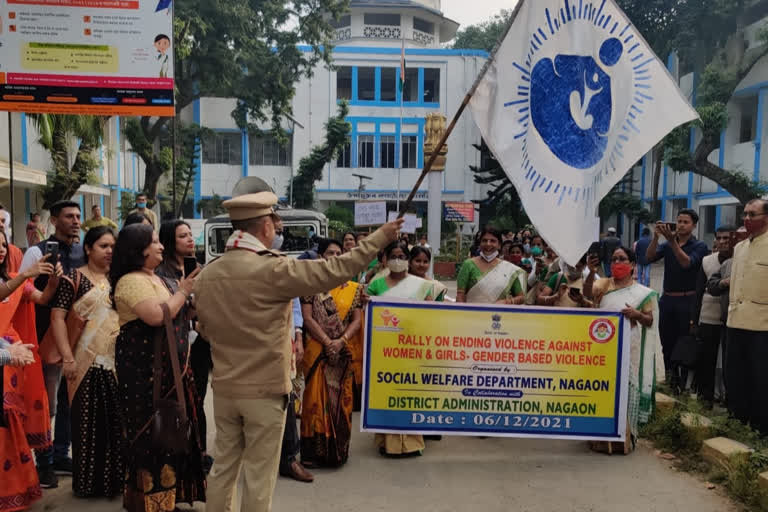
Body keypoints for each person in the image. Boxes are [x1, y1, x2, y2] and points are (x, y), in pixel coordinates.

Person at [194, 192, 402, 512]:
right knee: (259, 475)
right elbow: (336, 269)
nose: (277, 228)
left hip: (224, 387)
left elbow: (204, 330)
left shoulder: (209, 273)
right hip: (264, 390)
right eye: (275, 222)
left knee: (223, 468)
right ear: (264, 227)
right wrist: (380, 238)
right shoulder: (274, 270)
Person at [111, 224, 206, 511]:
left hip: (169, 373)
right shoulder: (130, 280)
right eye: (154, 242)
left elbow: (176, 311)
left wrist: (190, 299)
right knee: (151, 439)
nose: (161, 247)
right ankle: (150, 504)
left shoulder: (156, 278)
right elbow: (156, 315)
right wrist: (183, 290)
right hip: (144, 377)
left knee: (171, 438)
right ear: (139, 250)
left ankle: (167, 501)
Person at [49, 226, 124, 498]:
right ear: (89, 249)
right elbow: (57, 318)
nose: (109, 252)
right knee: (86, 426)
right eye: (104, 246)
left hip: (115, 363)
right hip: (83, 363)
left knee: (114, 424)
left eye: (113, 246)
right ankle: (88, 486)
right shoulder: (74, 280)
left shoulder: (119, 280)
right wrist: (67, 357)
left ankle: (114, 484)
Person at [19, 200, 84, 488]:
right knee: (48, 403)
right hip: (45, 336)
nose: (75, 221)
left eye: (78, 216)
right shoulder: (36, 251)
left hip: (78, 336)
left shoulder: (84, 251)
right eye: (69, 216)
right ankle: (43, 462)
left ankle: (60, 454)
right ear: (55, 220)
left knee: (70, 401)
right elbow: (24, 290)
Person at [1, 230, 62, 507]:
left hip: (15, 358)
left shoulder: (11, 278)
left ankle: (14, 489)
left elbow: (41, 298)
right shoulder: (14, 279)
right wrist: (26, 274)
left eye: (3, 244)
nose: (1, 249)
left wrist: (52, 282)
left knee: (12, 421)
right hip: (5, 355)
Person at [584, 246, 662, 454]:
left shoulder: (642, 293)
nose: (617, 263)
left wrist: (636, 314)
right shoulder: (603, 284)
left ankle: (624, 438)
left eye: (622, 259)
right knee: (602, 389)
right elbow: (586, 294)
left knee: (625, 390)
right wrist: (591, 272)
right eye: (614, 259)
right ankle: (598, 437)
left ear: (632, 265)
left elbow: (649, 321)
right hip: (603, 347)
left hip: (630, 347)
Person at [155, 220, 214, 475]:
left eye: (191, 235)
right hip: (174, 343)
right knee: (176, 401)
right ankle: (175, 457)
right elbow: (167, 310)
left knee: (197, 398)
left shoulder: (199, 270)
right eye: (183, 236)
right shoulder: (159, 274)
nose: (190, 240)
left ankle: (198, 452)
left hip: (198, 343)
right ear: (170, 241)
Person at [299, 238, 363, 468]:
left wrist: (341, 341)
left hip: (342, 352)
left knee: (342, 400)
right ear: (321, 257)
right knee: (314, 401)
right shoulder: (311, 284)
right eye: (329, 253)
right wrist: (327, 341)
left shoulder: (355, 288)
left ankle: (337, 452)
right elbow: (307, 318)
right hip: (317, 350)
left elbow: (357, 320)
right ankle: (312, 454)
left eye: (338, 253)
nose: (334, 257)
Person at [367, 241, 432, 457]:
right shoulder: (375, 285)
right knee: (389, 393)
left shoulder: (422, 286)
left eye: (402, 256)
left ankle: (412, 442)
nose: (398, 260)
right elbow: (368, 314)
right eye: (393, 256)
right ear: (384, 259)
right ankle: (389, 442)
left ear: (408, 260)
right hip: (385, 349)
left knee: (412, 392)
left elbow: (432, 314)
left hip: (414, 347)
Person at [645, 209, 709, 385]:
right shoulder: (666, 245)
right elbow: (649, 257)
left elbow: (687, 263)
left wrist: (672, 241)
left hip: (687, 300)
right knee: (667, 341)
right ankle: (670, 379)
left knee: (685, 343)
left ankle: (684, 384)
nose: (680, 225)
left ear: (694, 226)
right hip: (667, 300)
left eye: (685, 222)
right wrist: (657, 237)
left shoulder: (699, 246)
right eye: (678, 221)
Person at [724, 199, 768, 434]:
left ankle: (762, 429)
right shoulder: (739, 248)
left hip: (762, 326)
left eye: (753, 215)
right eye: (745, 215)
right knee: (736, 376)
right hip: (736, 321)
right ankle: (737, 423)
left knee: (761, 379)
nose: (747, 220)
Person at [692, 225, 735, 408]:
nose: (722, 242)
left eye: (727, 238)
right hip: (708, 315)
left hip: (732, 318)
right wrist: (693, 319)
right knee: (706, 360)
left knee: (729, 362)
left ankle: (729, 400)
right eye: (719, 238)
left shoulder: (739, 261)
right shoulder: (706, 261)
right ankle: (705, 398)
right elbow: (699, 291)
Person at [456, 228, 526, 305]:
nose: (488, 244)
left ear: (499, 245)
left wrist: (507, 302)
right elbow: (460, 295)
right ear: (480, 244)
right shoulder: (468, 264)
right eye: (484, 240)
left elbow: (521, 297)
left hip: (499, 314)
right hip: (473, 314)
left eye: (493, 241)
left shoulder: (509, 269)